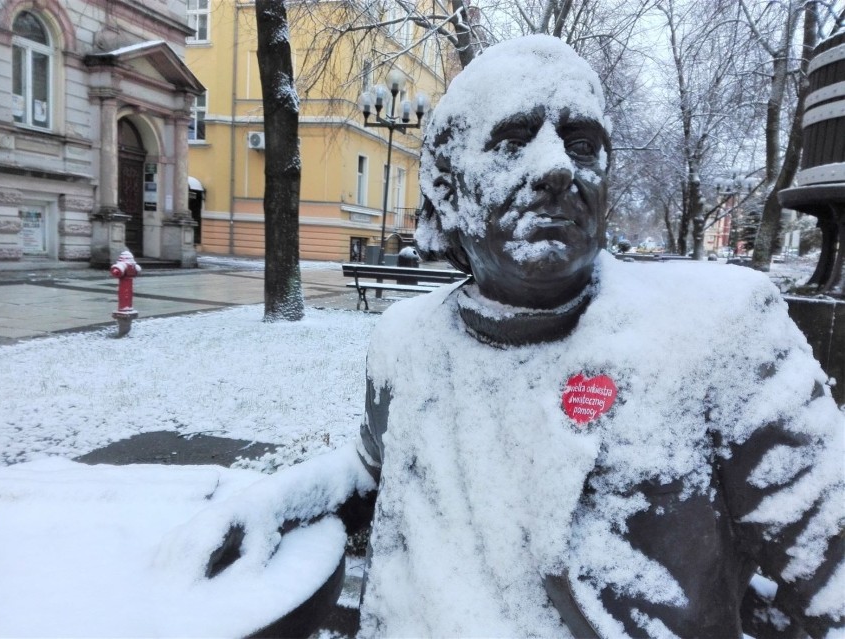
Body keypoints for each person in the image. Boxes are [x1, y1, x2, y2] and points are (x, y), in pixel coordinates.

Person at [162, 36, 844, 638]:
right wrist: (282, 499)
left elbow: (831, 576)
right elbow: (373, 472)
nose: (557, 168)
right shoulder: (404, 342)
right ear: (448, 187)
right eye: (514, 139)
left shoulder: (722, 332)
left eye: (583, 145)